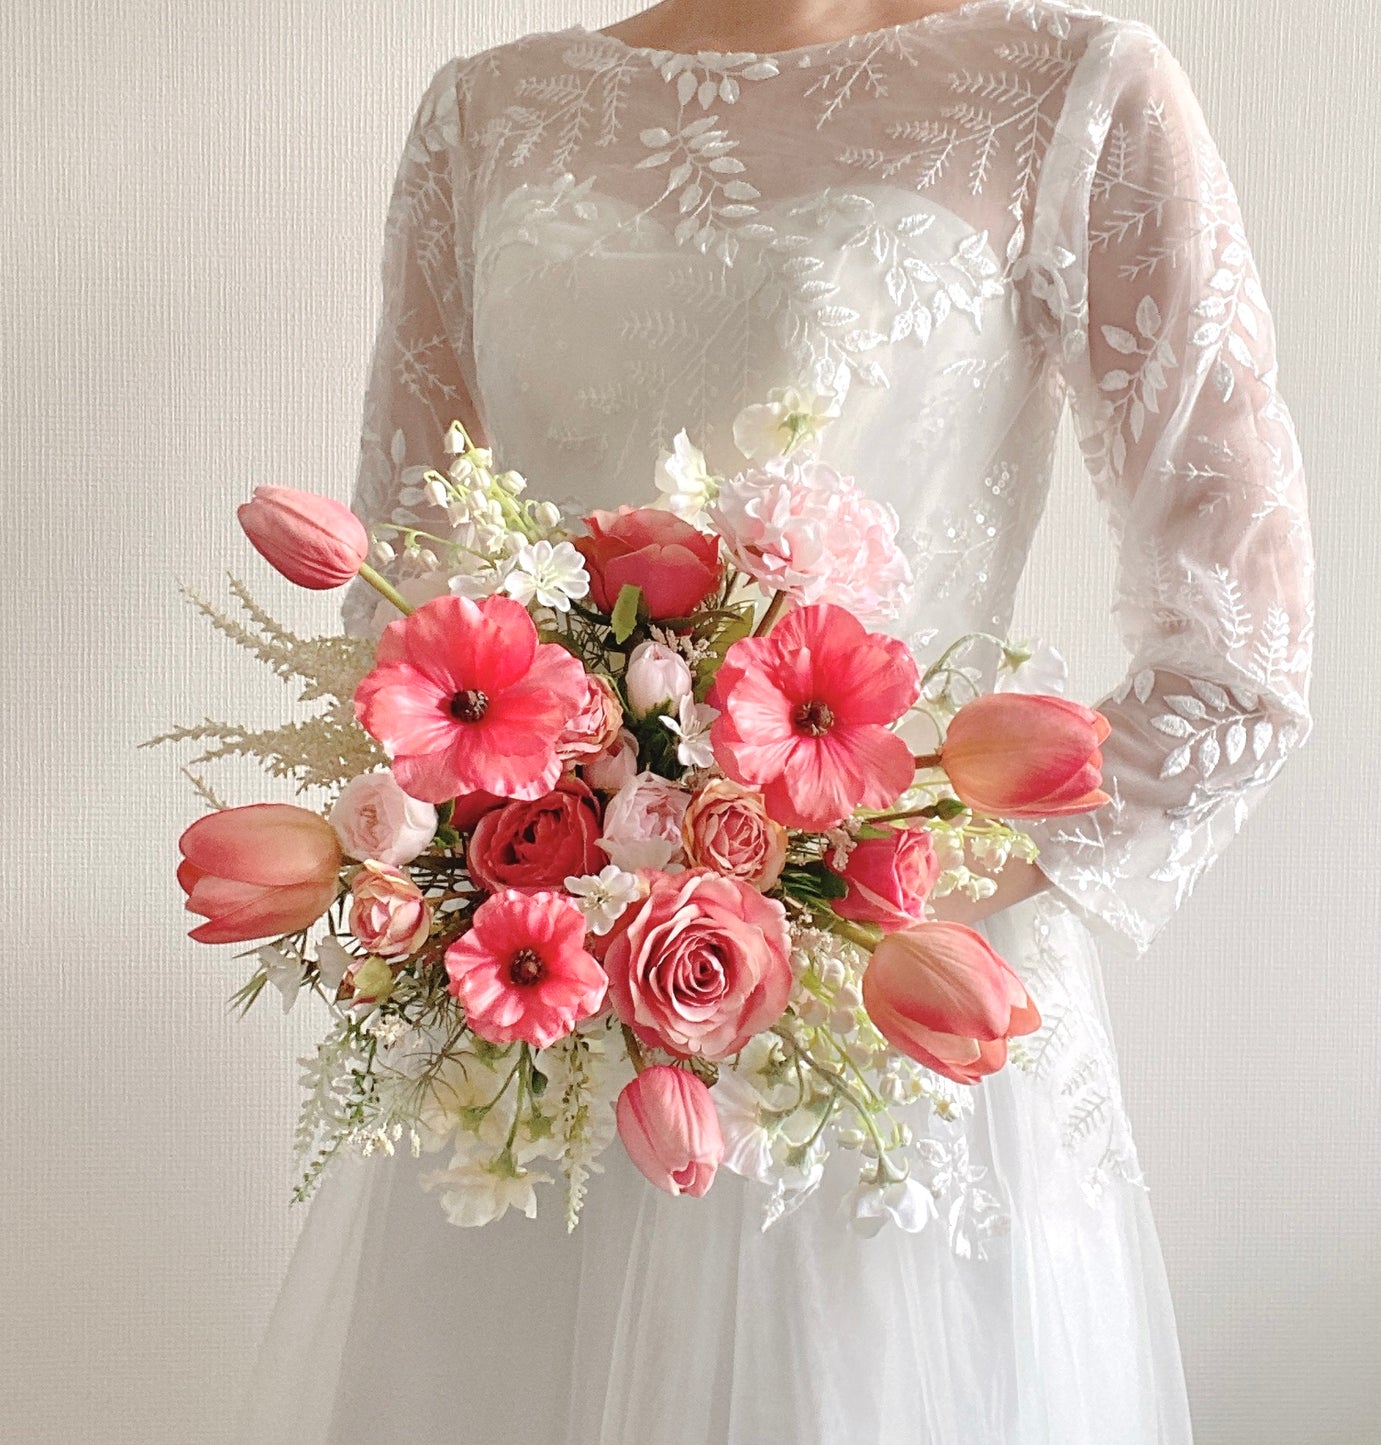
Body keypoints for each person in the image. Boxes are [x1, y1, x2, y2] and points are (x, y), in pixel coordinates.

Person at [240, 2, 1314, 1440]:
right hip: (540, 1008)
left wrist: (860, 871)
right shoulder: (483, 117)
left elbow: (1237, 641)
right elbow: (408, 600)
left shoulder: (1071, 89)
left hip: (885, 1028)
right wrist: (518, 840)